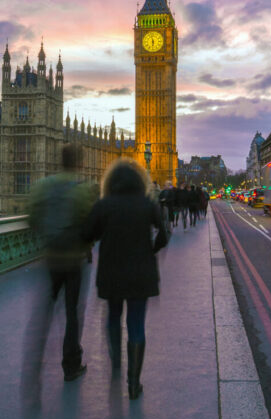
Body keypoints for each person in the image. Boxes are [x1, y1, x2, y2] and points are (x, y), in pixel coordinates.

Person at [84, 159, 168, 400]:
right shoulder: (146, 204)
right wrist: (150, 250)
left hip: (112, 273)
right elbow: (163, 235)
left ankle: (116, 360)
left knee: (113, 316)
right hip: (141, 273)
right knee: (136, 324)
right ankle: (133, 383)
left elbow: (87, 233)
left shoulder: (104, 204)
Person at [25, 143, 98, 383]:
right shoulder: (82, 189)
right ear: (79, 163)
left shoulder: (42, 186)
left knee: (43, 314)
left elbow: (32, 217)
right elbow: (90, 225)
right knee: (72, 314)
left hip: (50, 258)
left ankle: (33, 368)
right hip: (74, 261)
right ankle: (71, 366)